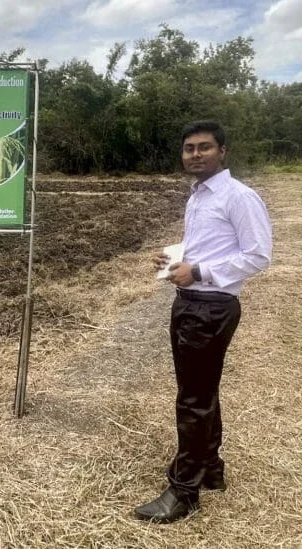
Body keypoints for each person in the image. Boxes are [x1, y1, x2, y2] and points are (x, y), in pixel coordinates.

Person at [134, 120, 273, 523]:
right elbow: (207, 247)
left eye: (204, 147)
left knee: (192, 400)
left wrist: (199, 273)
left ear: (223, 151)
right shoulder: (199, 195)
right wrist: (176, 260)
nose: (195, 154)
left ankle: (183, 491)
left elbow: (258, 255)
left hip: (209, 308)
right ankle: (210, 469)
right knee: (202, 391)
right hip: (193, 304)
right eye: (189, 148)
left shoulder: (238, 196)